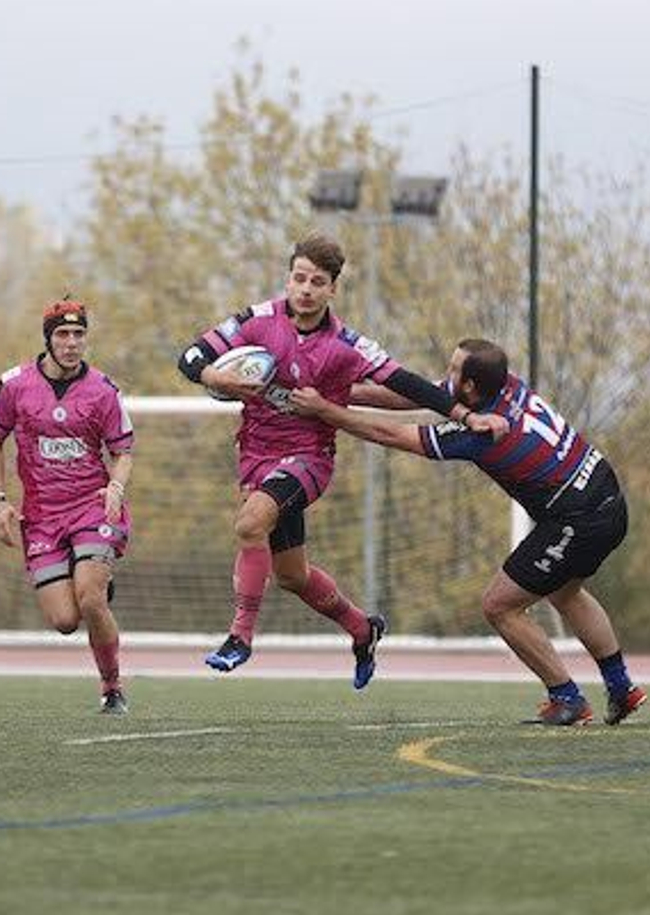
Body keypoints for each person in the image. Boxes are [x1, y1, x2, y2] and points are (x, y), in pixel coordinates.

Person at [177, 232, 505, 688]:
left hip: (308, 459)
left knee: (251, 524)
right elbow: (190, 358)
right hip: (255, 454)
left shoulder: (346, 345)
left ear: (333, 288)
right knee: (291, 576)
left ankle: (240, 637)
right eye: (299, 278)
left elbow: (408, 383)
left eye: (317, 281)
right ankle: (361, 628)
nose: (306, 289)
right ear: (288, 278)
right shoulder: (256, 321)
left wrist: (466, 415)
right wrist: (218, 377)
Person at [291, 339, 647, 725]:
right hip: (607, 495)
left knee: (500, 605)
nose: (447, 375)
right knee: (565, 591)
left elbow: (390, 434)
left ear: (472, 388)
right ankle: (621, 688)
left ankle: (567, 699)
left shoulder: (484, 432)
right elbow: (422, 396)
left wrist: (324, 410)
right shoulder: (504, 384)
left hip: (579, 518)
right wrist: (343, 393)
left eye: (454, 369)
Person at [0, 299, 134, 714]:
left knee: (89, 599)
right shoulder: (14, 384)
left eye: (79, 334)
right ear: (47, 339)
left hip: (92, 509)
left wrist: (117, 487)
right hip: (43, 518)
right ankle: (94, 585)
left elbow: (124, 450)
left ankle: (112, 688)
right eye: (63, 335)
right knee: (66, 621)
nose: (72, 343)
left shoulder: (103, 390)